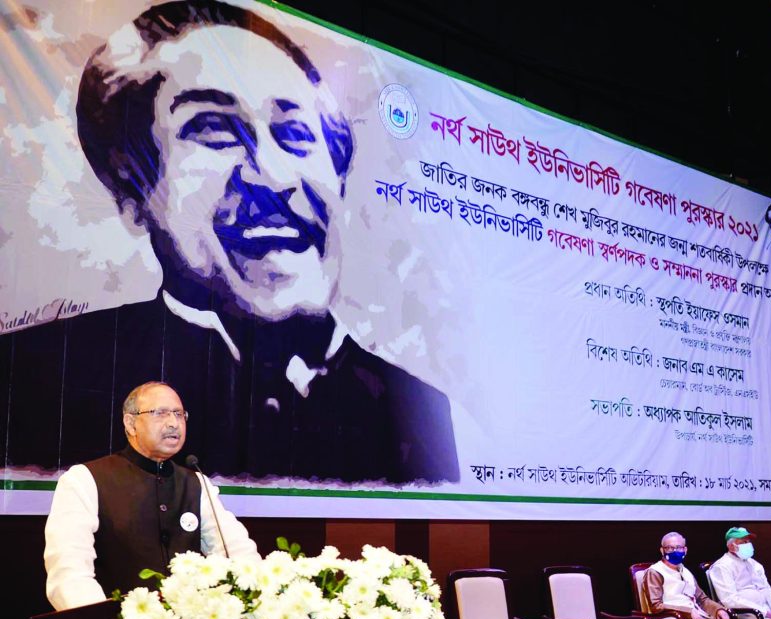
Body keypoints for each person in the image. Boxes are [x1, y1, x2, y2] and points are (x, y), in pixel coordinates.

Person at [5, 0, 459, 483]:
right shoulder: (34, 381)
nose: (273, 175)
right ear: (131, 190)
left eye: (295, 133)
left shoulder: (416, 407)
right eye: (213, 129)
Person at [44, 381, 260, 611]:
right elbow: (69, 574)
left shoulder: (196, 483)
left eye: (179, 414)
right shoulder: (85, 479)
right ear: (131, 423)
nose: (173, 423)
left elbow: (238, 554)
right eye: (160, 413)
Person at [642, 531, 745, 619]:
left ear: (685, 550)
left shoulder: (685, 571)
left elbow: (702, 599)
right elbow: (656, 606)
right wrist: (688, 612)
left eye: (679, 547)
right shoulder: (655, 572)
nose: (675, 551)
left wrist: (719, 610)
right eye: (670, 548)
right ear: (662, 550)